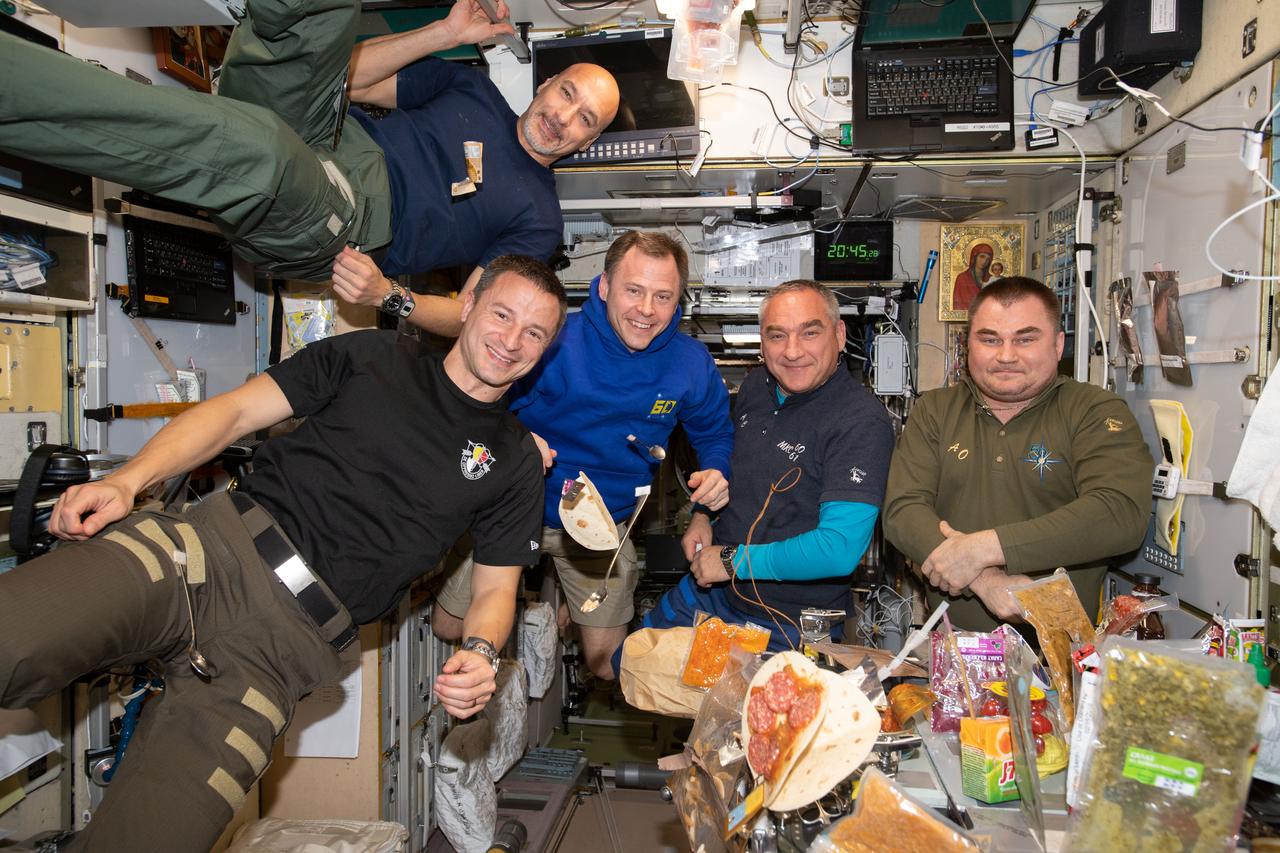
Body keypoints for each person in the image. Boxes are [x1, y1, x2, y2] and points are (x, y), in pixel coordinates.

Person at [0, 256, 566, 852]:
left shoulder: (516, 460)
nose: (512, 340)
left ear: (546, 350)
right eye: (503, 314)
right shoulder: (373, 355)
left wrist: (480, 653)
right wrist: (128, 480)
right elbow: (235, 413)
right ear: (469, 307)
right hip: (201, 555)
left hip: (279, 659)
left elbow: (496, 589)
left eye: (535, 333)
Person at [0, 0, 619, 334]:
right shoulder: (474, 91)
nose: (566, 118)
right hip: (329, 130)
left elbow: (474, 314)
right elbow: (346, 76)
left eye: (586, 120)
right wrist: (441, 32)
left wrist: (391, 298)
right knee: (320, 13)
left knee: (263, 152)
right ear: (550, 82)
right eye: (568, 94)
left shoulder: (538, 216)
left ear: (585, 141)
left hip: (348, 218)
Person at [432, 231, 735, 679]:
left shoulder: (690, 364)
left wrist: (715, 472)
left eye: (663, 296)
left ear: (678, 301)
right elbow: (475, 405)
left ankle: (566, 609)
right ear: (605, 286)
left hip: (601, 524)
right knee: (447, 626)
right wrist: (513, 440)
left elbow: (714, 432)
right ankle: (518, 595)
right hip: (516, 505)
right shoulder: (554, 341)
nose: (646, 310)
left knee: (606, 665)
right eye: (634, 290)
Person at [635, 280, 894, 654]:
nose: (792, 351)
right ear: (762, 342)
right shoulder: (759, 384)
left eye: (809, 332)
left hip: (787, 624)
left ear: (839, 336)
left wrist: (730, 560)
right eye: (777, 336)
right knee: (631, 662)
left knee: (739, 714)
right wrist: (704, 514)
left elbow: (838, 548)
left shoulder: (860, 421)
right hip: (714, 593)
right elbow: (739, 468)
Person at [883, 276, 1153, 629]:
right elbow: (903, 512)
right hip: (953, 654)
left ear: (1057, 345)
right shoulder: (935, 411)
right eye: (990, 339)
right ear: (968, 345)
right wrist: (985, 581)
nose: (1006, 356)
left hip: (1062, 657)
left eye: (1025, 339)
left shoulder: (1094, 411)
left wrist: (983, 548)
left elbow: (1119, 513)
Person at [952, 242, 994, 313]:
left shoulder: (992, 279)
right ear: (974, 257)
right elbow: (958, 304)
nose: (984, 261)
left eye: (988, 259)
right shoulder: (962, 278)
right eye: (982, 256)